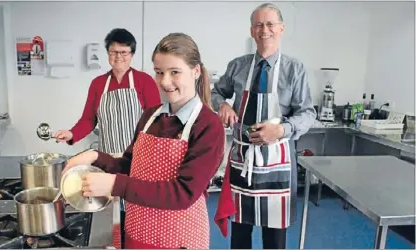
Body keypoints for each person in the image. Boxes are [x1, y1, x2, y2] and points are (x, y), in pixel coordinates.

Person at [62, 33, 225, 249]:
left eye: (174, 72)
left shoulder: (208, 125)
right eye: (159, 73)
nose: (165, 82)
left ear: (195, 71)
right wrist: (95, 157)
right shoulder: (151, 116)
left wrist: (113, 184)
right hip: (138, 232)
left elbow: (183, 193)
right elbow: (130, 166)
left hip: (177, 240)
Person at [213, 3, 317, 249]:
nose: (264, 30)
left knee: (274, 238)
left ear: (281, 29)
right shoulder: (238, 66)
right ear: (252, 31)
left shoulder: (295, 69)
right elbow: (217, 92)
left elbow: (307, 112)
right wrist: (222, 106)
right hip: (243, 159)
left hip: (277, 163)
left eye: (270, 24)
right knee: (240, 233)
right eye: (259, 24)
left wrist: (281, 130)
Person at [54, 28, 161, 248]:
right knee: (112, 211)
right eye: (113, 52)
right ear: (107, 54)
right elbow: (88, 120)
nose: (118, 57)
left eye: (124, 52)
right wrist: (72, 134)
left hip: (137, 159)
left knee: (136, 209)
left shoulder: (144, 82)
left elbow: (155, 121)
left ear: (132, 54)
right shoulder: (98, 84)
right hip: (108, 159)